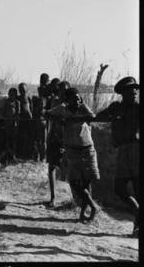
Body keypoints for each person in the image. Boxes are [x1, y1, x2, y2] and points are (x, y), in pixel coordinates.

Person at [93, 76, 139, 237]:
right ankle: (138, 213)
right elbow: (98, 117)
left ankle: (137, 227)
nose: (134, 91)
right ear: (123, 93)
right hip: (123, 151)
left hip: (137, 151)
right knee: (119, 188)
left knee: (138, 190)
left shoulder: (139, 108)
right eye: (130, 89)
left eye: (135, 89)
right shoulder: (116, 108)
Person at [45, 87, 99, 223]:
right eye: (73, 99)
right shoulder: (63, 108)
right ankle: (93, 206)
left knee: (86, 183)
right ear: (67, 100)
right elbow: (45, 114)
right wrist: (58, 119)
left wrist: (72, 119)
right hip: (72, 151)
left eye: (78, 98)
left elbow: (92, 117)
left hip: (87, 150)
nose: (76, 101)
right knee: (74, 183)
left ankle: (83, 214)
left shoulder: (83, 107)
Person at [45, 78, 64, 207]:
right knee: (51, 167)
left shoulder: (71, 103)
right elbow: (47, 115)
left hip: (67, 139)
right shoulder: (55, 101)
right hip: (54, 137)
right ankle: (53, 197)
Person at [2, 87, 19, 163]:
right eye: (10, 94)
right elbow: (4, 111)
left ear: (15, 95)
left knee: (14, 140)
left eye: (13, 94)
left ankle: (13, 155)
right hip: (7, 123)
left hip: (14, 123)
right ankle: (8, 155)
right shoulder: (6, 102)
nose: (11, 95)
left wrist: (16, 121)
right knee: (7, 139)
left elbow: (18, 113)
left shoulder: (17, 102)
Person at [17, 83, 33, 159]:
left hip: (28, 119)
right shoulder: (18, 98)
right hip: (21, 120)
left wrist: (31, 116)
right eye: (20, 89)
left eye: (23, 89)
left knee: (29, 136)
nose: (22, 90)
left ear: (26, 89)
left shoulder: (28, 98)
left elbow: (31, 108)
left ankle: (28, 154)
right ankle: (21, 153)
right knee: (21, 136)